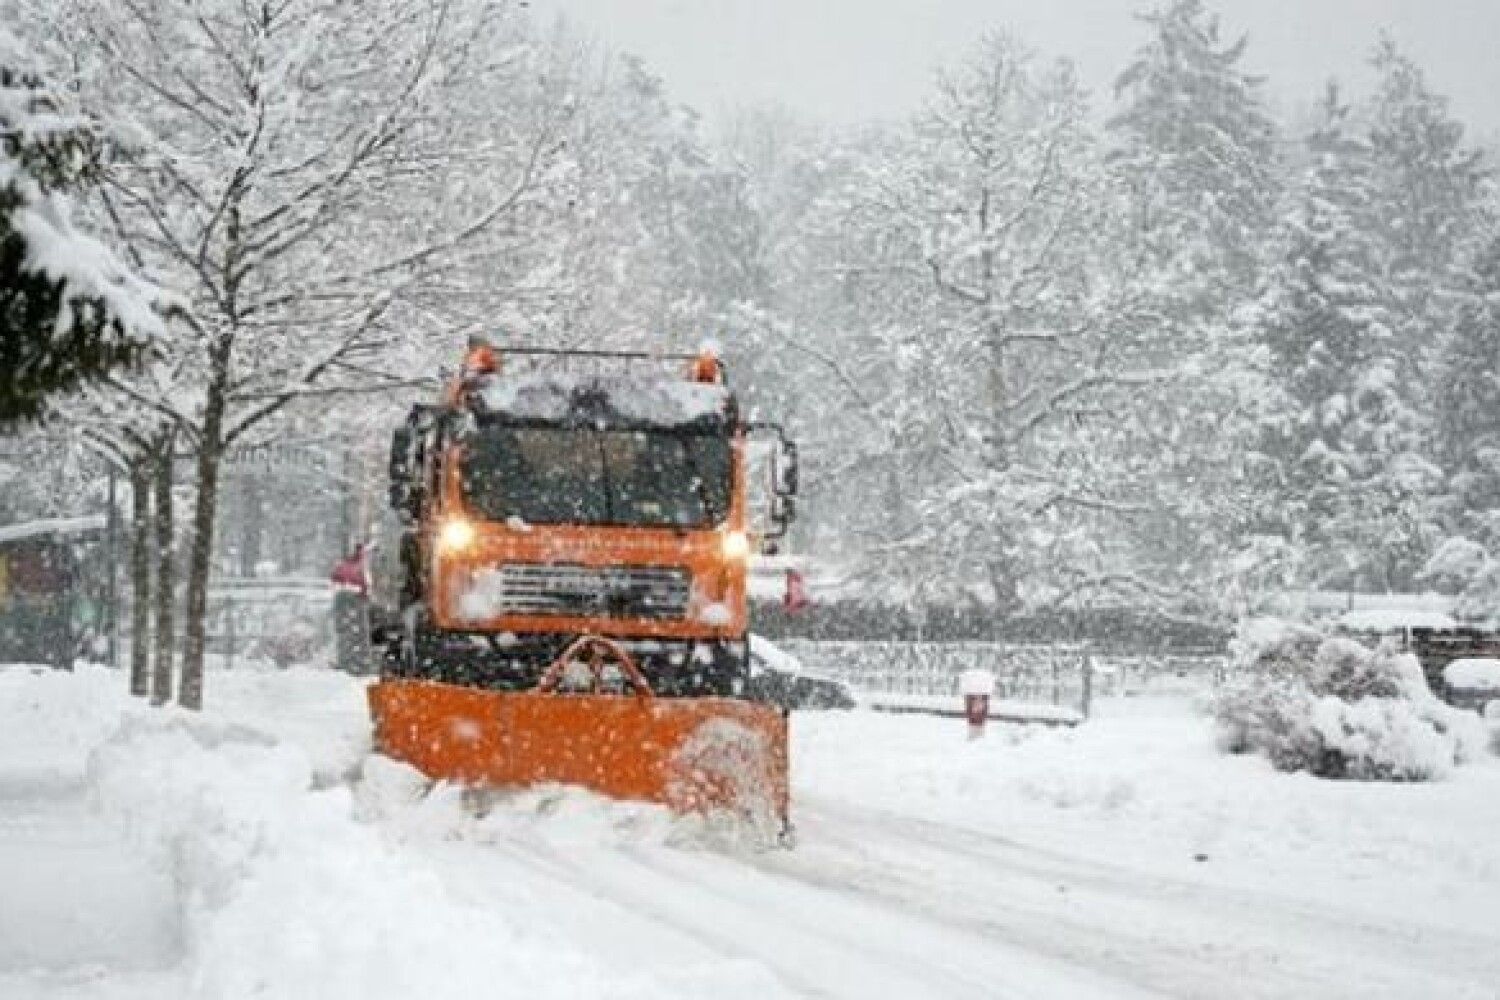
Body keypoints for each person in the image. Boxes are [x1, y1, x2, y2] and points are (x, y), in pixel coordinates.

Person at [330, 542, 373, 674]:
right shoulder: (360, 566)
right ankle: (359, 663)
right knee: (358, 634)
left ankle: (346, 661)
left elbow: (334, 579)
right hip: (354, 600)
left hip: (344, 599)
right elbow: (365, 585)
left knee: (345, 633)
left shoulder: (341, 566)